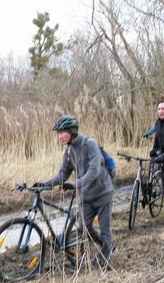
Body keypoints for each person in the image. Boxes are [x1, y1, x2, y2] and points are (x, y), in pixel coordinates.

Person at [38, 115, 114, 268]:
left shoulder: (90, 144)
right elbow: (62, 174)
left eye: (62, 133)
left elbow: (95, 170)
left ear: (71, 131)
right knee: (82, 227)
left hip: (102, 192)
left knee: (105, 228)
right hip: (86, 196)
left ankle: (105, 258)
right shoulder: (69, 151)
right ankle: (107, 246)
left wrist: (75, 184)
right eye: (58, 133)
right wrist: (43, 185)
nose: (59, 137)